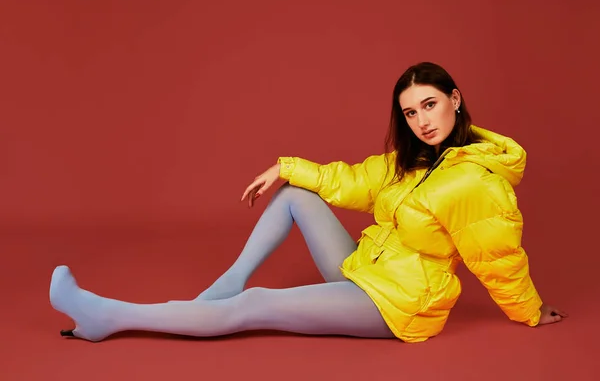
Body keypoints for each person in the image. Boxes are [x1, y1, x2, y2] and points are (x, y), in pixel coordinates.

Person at [49, 62, 567, 343]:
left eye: (430, 104)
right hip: (364, 270)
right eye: (410, 113)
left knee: (257, 306)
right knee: (298, 195)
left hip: (400, 304)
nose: (422, 121)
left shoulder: (475, 181)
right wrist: (286, 167)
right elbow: (354, 181)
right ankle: (223, 286)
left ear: (455, 98)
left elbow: (498, 258)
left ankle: (109, 316)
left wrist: (529, 311)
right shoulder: (416, 160)